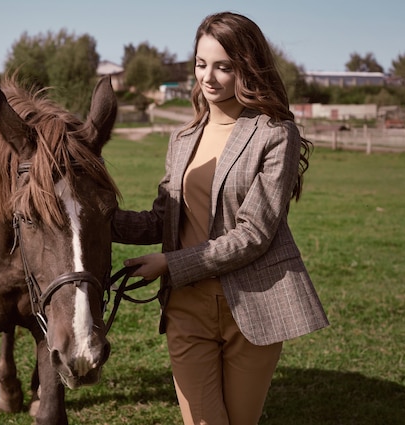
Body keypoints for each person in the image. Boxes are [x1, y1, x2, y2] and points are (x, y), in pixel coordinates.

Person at [112, 11, 329, 425]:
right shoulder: (181, 139)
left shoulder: (275, 133)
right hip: (187, 307)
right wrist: (95, 218)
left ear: (246, 68)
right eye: (200, 64)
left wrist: (170, 264)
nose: (207, 77)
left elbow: (255, 234)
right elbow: (163, 219)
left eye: (223, 66)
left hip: (253, 306)